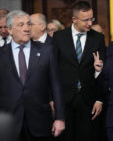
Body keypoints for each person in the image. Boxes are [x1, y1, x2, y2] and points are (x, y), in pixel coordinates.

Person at [0, 10, 65, 141]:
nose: (26, 28)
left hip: (40, 121)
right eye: (21, 25)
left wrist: (60, 118)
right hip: (9, 122)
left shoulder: (47, 51)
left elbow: (56, 86)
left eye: (29, 24)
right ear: (10, 30)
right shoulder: (1, 54)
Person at [52, 0, 106, 141]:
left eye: (91, 18)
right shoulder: (58, 37)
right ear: (74, 19)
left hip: (88, 99)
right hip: (64, 98)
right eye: (85, 20)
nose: (90, 23)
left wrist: (100, 98)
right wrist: (52, 98)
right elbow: (53, 69)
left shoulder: (98, 38)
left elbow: (103, 72)